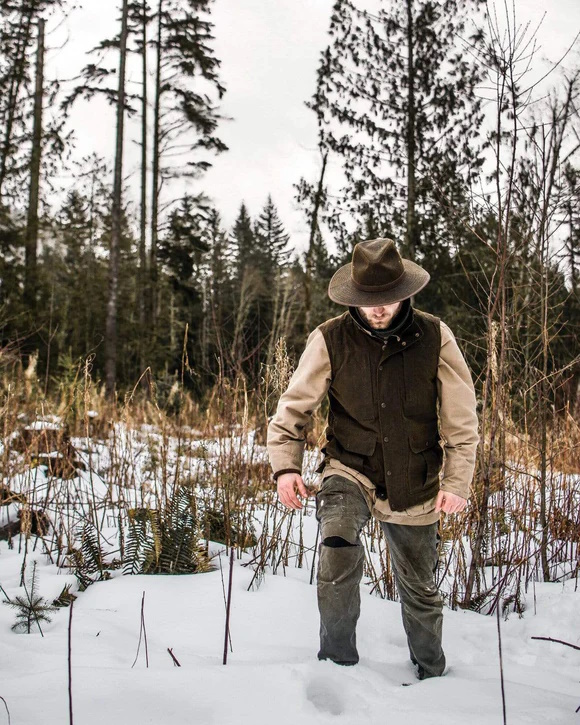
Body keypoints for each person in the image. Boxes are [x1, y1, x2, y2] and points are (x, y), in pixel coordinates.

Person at [267, 238, 479, 679]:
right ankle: (337, 667)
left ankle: (433, 674)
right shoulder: (328, 339)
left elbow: (462, 420)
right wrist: (286, 466)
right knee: (337, 549)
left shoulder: (436, 336)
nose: (379, 308)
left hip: (415, 477)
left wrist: (457, 482)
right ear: (354, 297)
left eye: (388, 299)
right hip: (349, 468)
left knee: (420, 587)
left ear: (406, 292)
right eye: (369, 301)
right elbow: (293, 409)